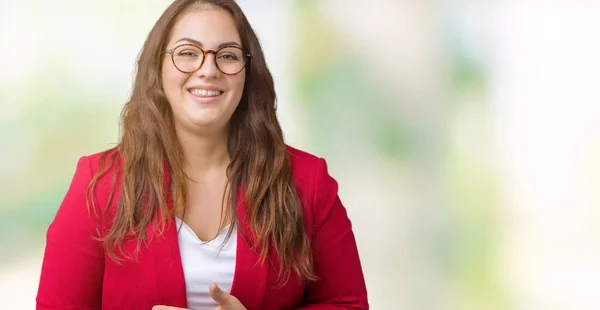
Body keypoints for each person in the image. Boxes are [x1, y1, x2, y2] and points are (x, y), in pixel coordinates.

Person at [36, 0, 368, 309]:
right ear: (159, 67)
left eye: (227, 55)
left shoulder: (307, 183)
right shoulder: (99, 184)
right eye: (187, 52)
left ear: (248, 73)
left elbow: (348, 305)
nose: (208, 69)